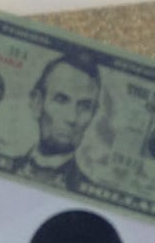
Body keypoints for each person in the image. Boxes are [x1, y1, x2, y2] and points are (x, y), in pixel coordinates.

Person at [8, 54, 101, 192]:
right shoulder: (3, 167)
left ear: (93, 114)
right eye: (61, 100)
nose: (72, 118)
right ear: (37, 103)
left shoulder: (91, 193)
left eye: (84, 107)